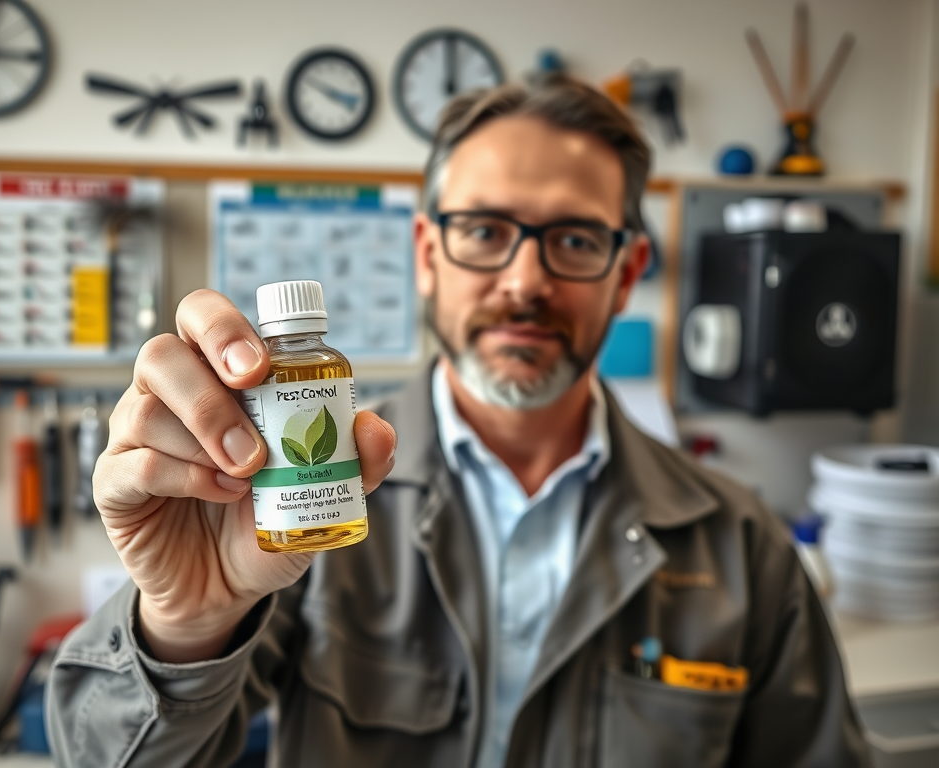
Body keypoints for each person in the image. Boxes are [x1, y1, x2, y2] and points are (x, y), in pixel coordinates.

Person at [47, 76, 870, 768]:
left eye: (576, 238)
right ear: (427, 256)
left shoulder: (743, 546)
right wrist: (186, 626)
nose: (524, 281)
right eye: (484, 230)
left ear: (627, 275)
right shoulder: (298, 499)